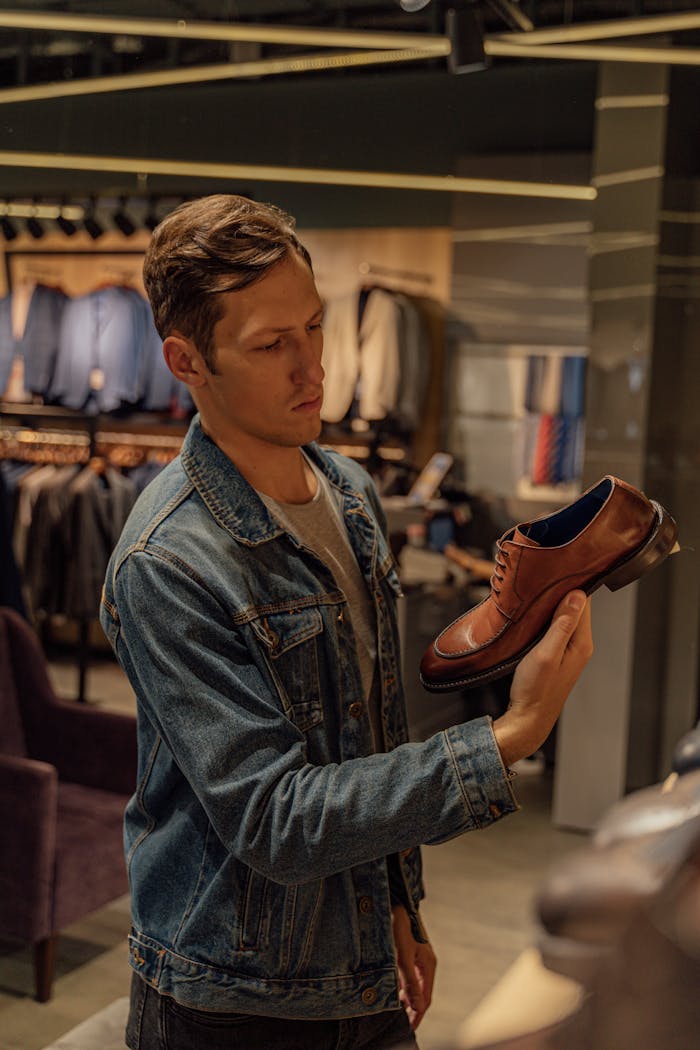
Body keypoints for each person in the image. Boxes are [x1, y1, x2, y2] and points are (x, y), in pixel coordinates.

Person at [100, 194, 593, 1050]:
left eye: (315, 329)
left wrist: (398, 903)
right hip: (229, 1003)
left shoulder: (351, 494)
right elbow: (275, 817)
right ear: (186, 361)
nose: (312, 370)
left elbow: (367, 729)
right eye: (271, 346)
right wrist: (513, 733)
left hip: (358, 966)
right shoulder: (167, 565)